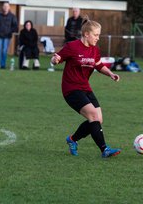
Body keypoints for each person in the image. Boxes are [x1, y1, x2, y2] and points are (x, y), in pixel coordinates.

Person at [51, 16, 121, 158]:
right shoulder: (72, 46)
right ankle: (104, 150)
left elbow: (99, 65)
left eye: (99, 35)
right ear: (86, 34)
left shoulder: (94, 50)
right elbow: (56, 59)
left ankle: (72, 139)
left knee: (98, 119)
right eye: (96, 35)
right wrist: (55, 59)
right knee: (93, 115)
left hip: (85, 88)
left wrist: (110, 74)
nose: (98, 38)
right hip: (71, 89)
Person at [0, 1, 18, 69]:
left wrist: (10, 31)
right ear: (2, 7)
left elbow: (15, 26)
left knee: (4, 51)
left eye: (7, 6)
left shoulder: (12, 16)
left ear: (9, 7)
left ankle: (3, 65)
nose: (5, 7)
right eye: (4, 6)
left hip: (7, 37)